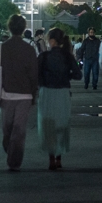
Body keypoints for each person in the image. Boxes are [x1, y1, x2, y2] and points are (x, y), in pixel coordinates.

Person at [0, 15, 39, 172]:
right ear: (23, 29)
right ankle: (14, 159)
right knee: (19, 130)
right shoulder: (29, 49)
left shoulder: (1, 47)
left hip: (6, 94)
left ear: (9, 28)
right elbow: (34, 74)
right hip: (25, 95)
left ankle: (11, 154)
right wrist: (34, 93)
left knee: (7, 128)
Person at [36, 28, 81, 171]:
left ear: (52, 41)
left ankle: (51, 159)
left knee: (48, 125)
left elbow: (35, 75)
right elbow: (78, 75)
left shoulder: (43, 56)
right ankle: (59, 158)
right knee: (62, 125)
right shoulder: (68, 56)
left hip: (47, 92)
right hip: (63, 92)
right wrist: (66, 75)